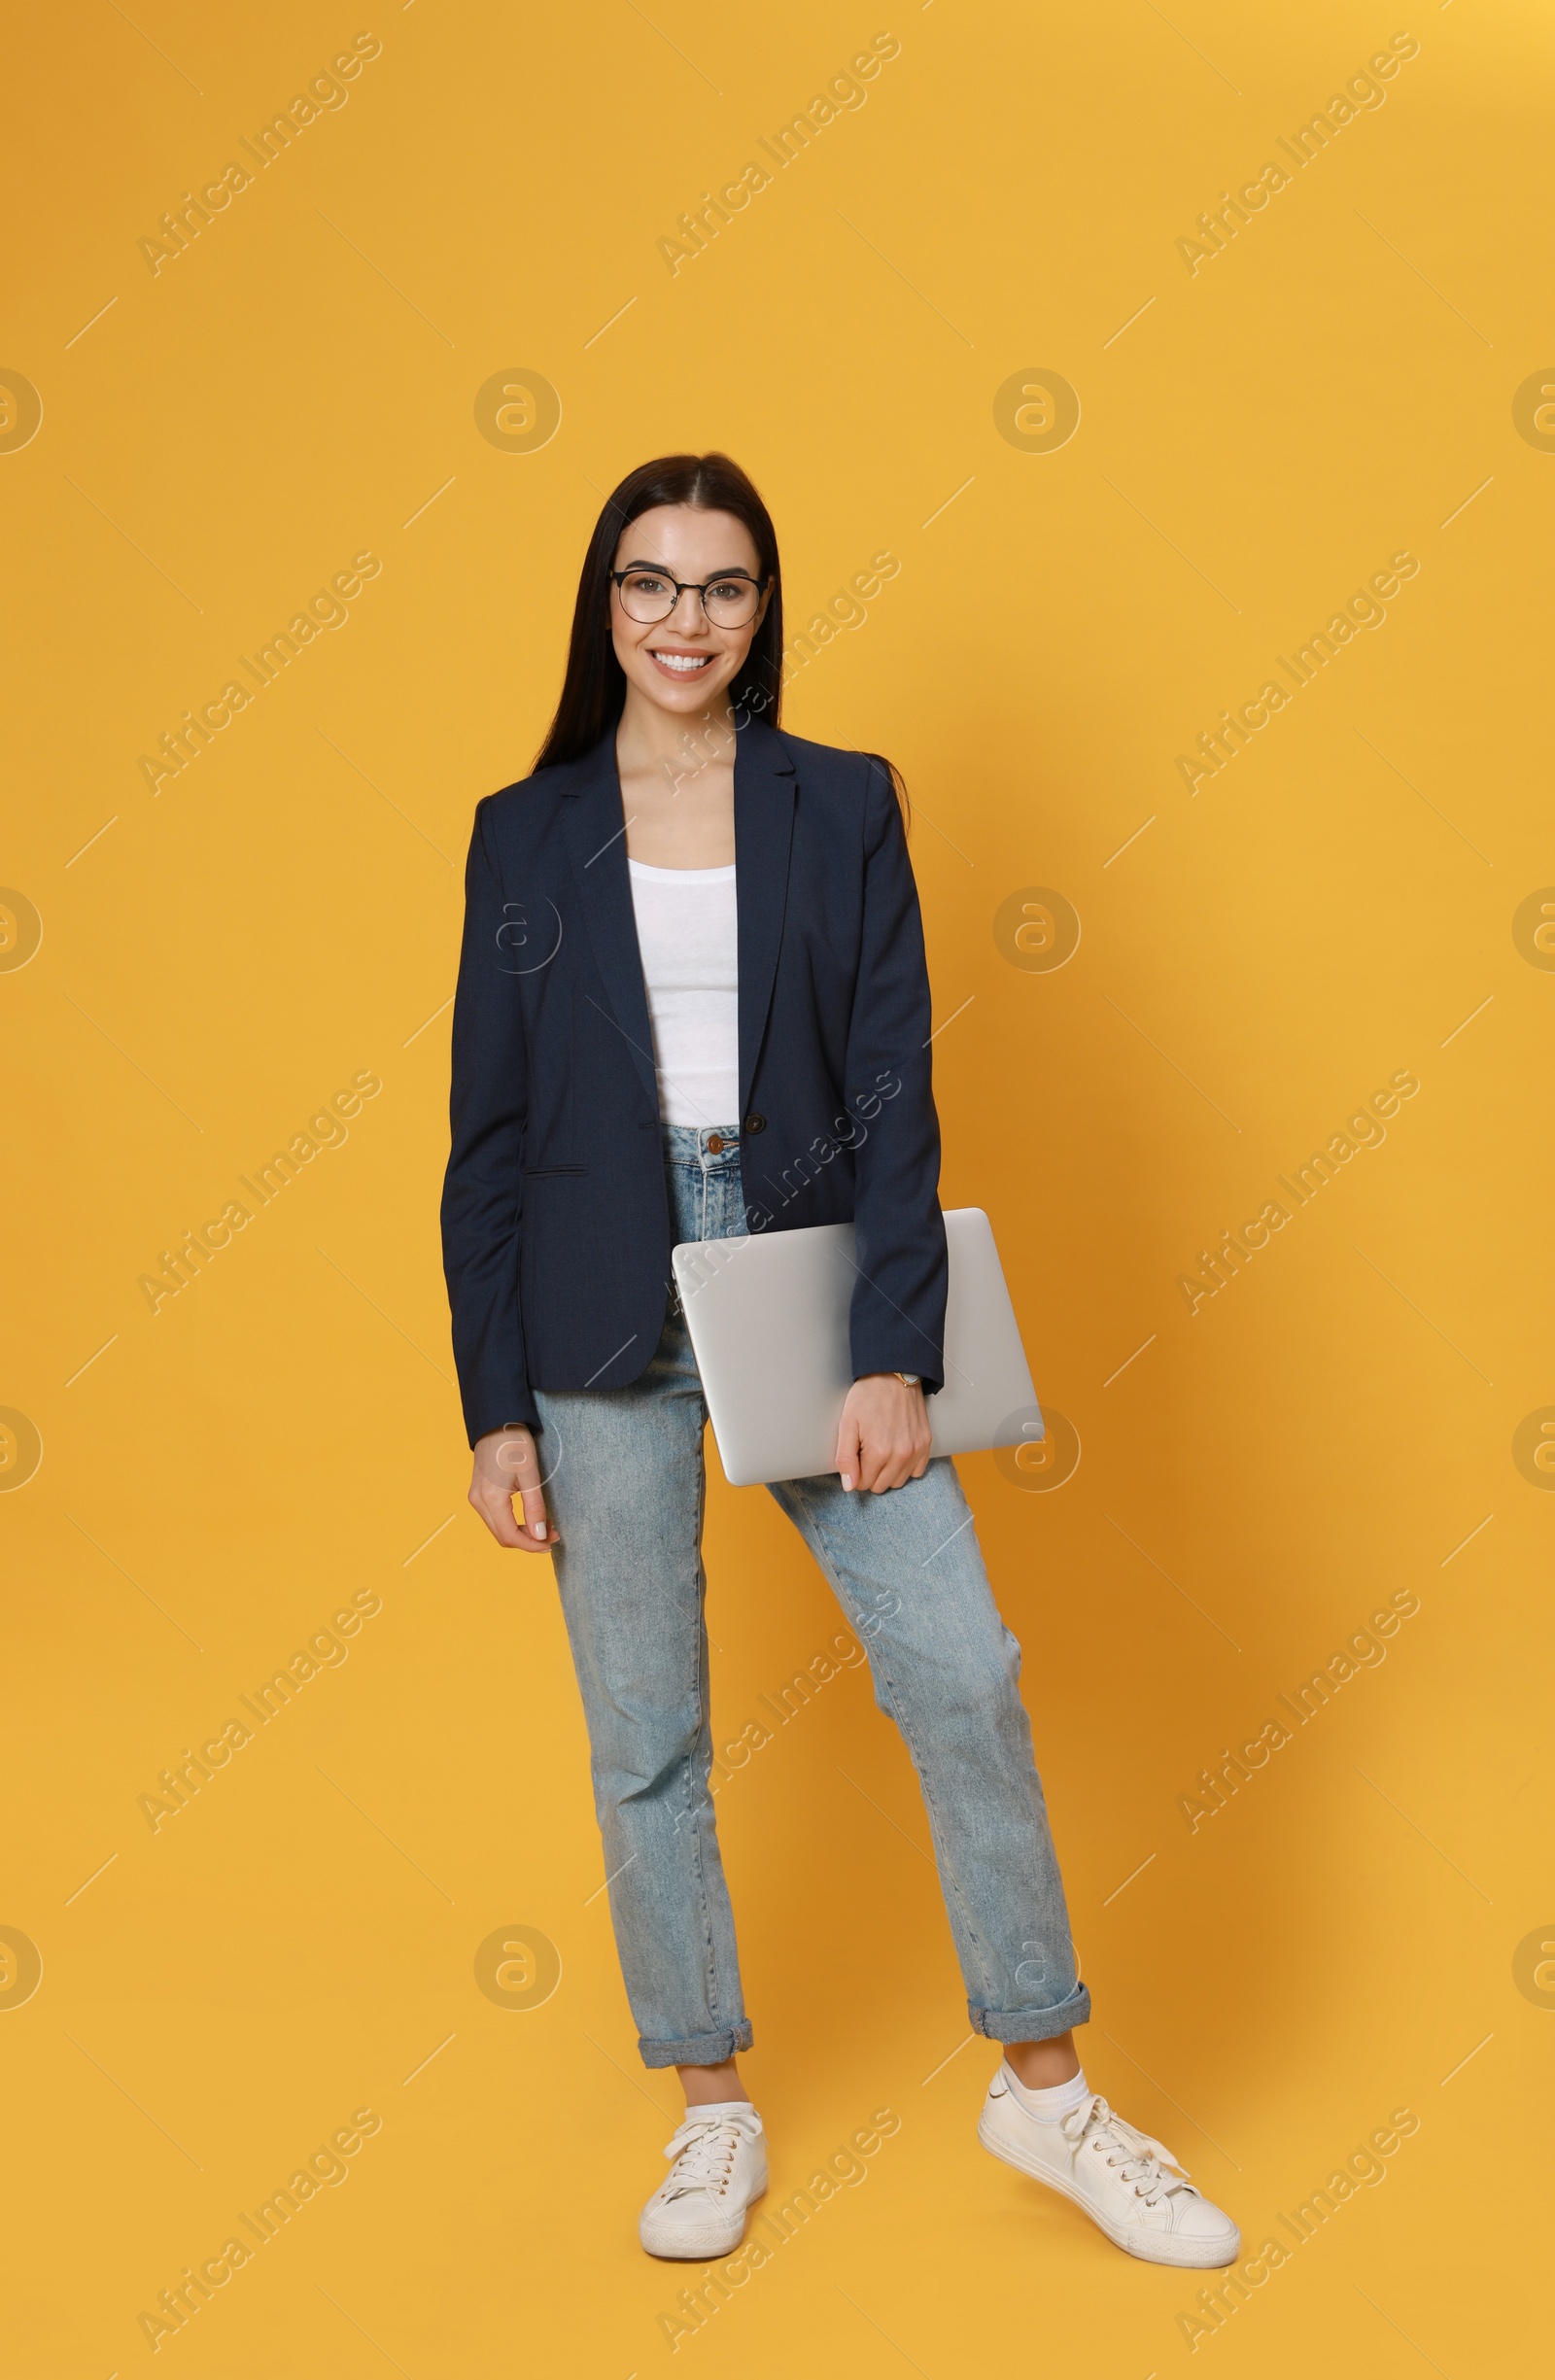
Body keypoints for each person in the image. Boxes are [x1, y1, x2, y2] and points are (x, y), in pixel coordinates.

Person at [440, 451, 1239, 2270]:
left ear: (763, 608)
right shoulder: (522, 829)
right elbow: (483, 1141)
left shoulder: (845, 800)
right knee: (646, 1735)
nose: (685, 620)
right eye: (651, 583)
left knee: (962, 1668)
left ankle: (1048, 2093)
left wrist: (896, 1351)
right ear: (605, 602)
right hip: (592, 1309)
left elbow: (895, 1085)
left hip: (801, 1273)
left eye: (722, 586)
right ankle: (708, 2103)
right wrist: (495, 1406)